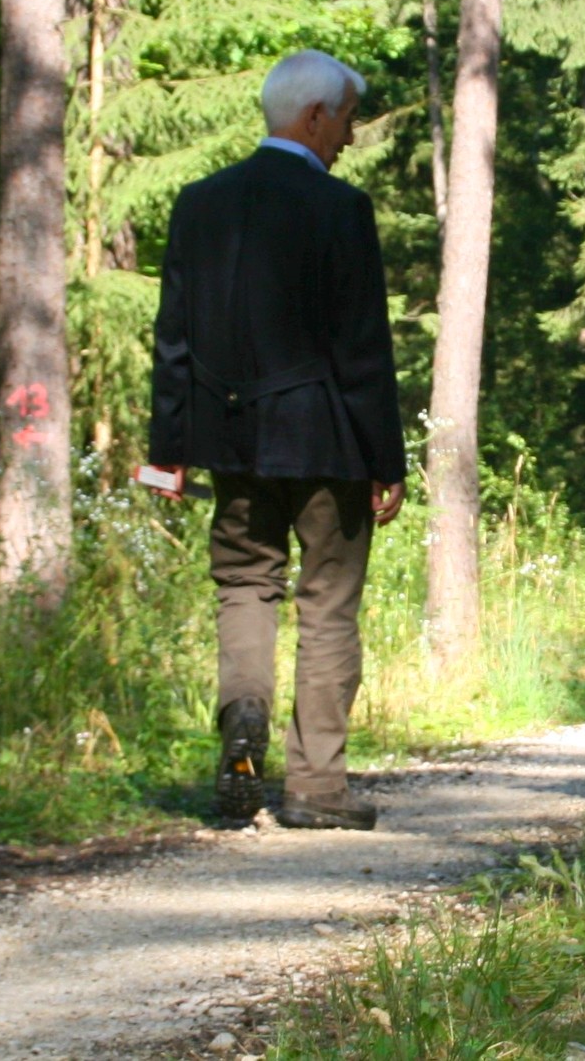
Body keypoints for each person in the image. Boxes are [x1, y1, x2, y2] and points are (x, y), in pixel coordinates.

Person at [148, 49, 407, 832]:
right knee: (327, 604)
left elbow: (174, 340)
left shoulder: (200, 204)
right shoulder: (341, 210)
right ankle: (318, 789)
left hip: (230, 440)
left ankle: (244, 726)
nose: (350, 140)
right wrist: (386, 460)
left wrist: (170, 446)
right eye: (349, 121)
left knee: (244, 586)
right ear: (316, 116)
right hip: (327, 440)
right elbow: (363, 350)